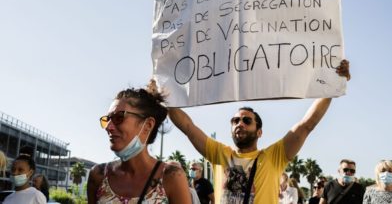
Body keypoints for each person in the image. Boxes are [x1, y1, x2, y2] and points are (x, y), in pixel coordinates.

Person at [169, 60, 350, 203]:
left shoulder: (273, 156)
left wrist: (331, 88)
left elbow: (306, 125)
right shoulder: (219, 153)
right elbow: (188, 128)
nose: (240, 124)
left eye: (247, 121)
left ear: (259, 132)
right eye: (235, 121)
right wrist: (165, 100)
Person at [87, 82, 191, 203]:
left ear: (147, 125)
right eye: (107, 119)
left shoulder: (171, 177)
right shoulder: (98, 175)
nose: (108, 127)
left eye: (118, 117)